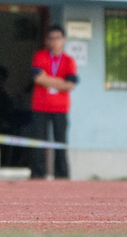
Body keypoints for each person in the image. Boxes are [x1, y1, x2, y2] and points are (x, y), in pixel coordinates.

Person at [30, 25, 77, 180]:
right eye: (51, 38)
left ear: (63, 40)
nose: (54, 41)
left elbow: (70, 84)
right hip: (40, 106)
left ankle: (62, 174)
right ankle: (38, 173)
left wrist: (47, 80)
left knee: (60, 142)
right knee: (38, 142)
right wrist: (59, 82)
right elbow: (37, 78)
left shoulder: (69, 61)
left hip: (60, 108)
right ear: (47, 40)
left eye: (58, 38)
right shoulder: (40, 56)